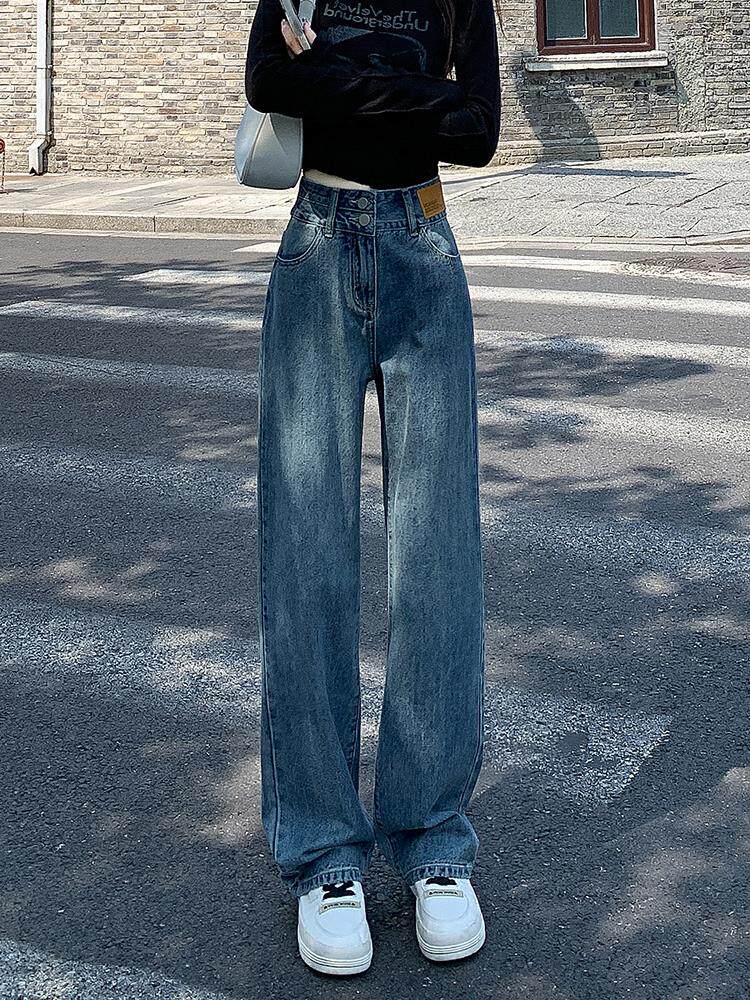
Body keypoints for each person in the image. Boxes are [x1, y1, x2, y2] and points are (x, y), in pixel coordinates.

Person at [245, 0, 500, 975]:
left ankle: (434, 842)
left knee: (436, 558)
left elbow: (476, 130)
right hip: (316, 246)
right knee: (307, 555)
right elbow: (270, 80)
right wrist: (418, 92)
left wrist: (343, 85)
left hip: (424, 245)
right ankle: (324, 855)